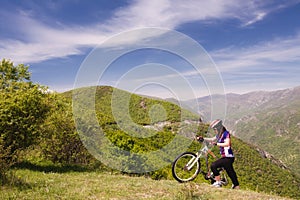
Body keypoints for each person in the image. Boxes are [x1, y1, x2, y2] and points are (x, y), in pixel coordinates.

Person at [197, 119, 240, 189]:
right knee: (230, 172)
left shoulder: (226, 133)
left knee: (213, 165)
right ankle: (236, 186)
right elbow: (212, 139)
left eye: (215, 129)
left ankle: (218, 182)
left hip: (228, 157)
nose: (214, 130)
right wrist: (203, 139)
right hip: (226, 157)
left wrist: (217, 144)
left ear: (218, 127)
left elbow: (227, 143)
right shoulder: (219, 135)